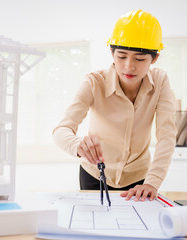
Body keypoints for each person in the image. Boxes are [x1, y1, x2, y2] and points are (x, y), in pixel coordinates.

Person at [52, 9, 177, 202]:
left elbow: (166, 136)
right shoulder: (94, 82)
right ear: (112, 53)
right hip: (94, 175)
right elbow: (61, 130)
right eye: (121, 56)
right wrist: (79, 146)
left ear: (155, 58)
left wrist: (153, 182)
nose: (129, 66)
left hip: (140, 180)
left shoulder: (160, 82)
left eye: (140, 58)